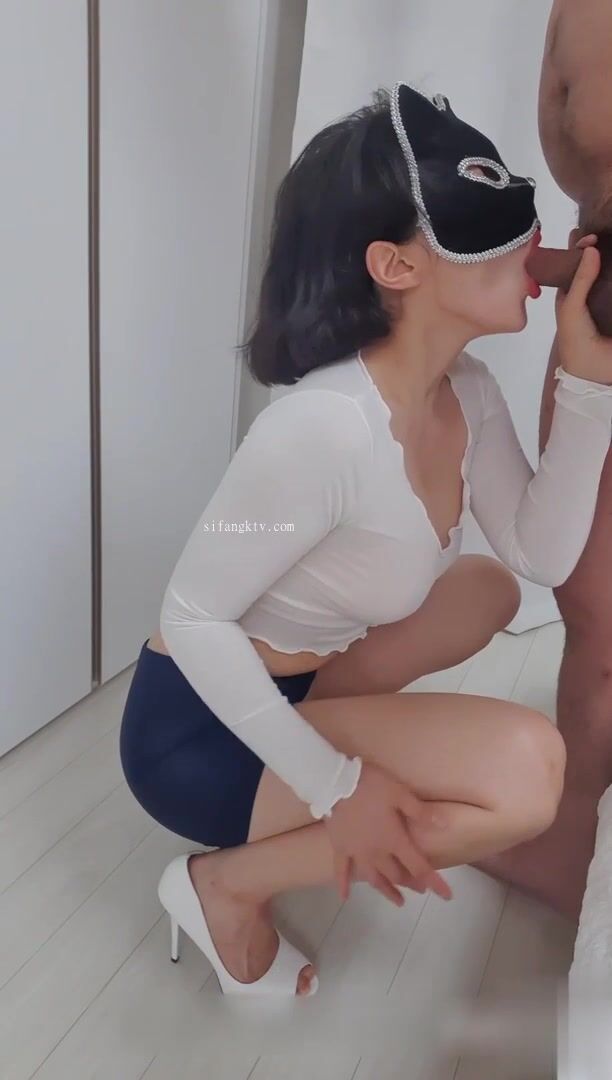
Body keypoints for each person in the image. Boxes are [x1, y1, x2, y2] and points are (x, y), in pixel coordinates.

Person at [119, 81, 612, 998]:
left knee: (489, 589)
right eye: (491, 235)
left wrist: (588, 386)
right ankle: (225, 883)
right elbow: (191, 617)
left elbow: (539, 555)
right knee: (528, 775)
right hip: (197, 732)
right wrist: (336, 784)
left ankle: (329, 749)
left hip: (305, 676)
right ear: (394, 266)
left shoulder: (466, 391)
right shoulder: (322, 429)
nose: (529, 248)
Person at [478, 0, 612, 923]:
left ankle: (570, 844)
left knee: (599, 623)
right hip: (596, 313)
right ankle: (576, 826)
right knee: (587, 606)